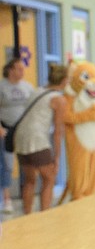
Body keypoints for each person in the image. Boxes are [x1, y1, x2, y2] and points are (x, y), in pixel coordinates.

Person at [14, 63, 68, 213]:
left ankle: (27, 215)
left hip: (20, 138)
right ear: (64, 80)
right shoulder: (59, 99)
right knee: (49, 178)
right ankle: (45, 215)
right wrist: (57, 158)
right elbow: (58, 131)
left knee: (30, 179)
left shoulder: (36, 91)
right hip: (37, 140)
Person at [0, 57, 34, 213]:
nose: (22, 72)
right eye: (19, 69)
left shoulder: (28, 87)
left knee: (28, 162)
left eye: (23, 68)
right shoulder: (2, 87)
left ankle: (28, 195)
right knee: (7, 164)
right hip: (6, 129)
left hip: (24, 130)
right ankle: (6, 198)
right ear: (11, 70)